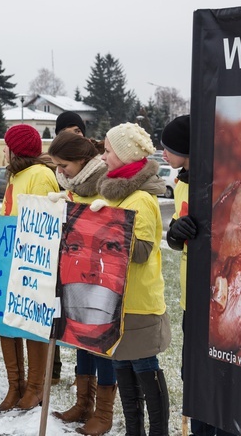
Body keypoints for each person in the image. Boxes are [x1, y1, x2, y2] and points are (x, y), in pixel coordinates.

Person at [96, 122, 171, 436]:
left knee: (143, 368)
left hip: (138, 303)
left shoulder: (140, 199)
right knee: (121, 368)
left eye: (108, 151)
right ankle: (133, 430)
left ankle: (158, 431)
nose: (102, 157)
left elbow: (139, 251)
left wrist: (104, 224)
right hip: (115, 301)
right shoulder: (117, 194)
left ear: (125, 156)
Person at [162, 115, 234, 436]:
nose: (162, 153)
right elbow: (176, 232)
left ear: (188, 148)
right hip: (192, 299)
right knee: (191, 374)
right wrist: (175, 232)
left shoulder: (217, 181)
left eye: (169, 147)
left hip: (220, 301)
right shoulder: (181, 182)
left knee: (219, 377)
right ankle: (200, 429)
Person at [48, 130, 119, 435]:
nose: (59, 171)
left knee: (100, 341)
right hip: (75, 270)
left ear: (81, 160)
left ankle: (103, 412)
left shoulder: (102, 186)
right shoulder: (74, 186)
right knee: (78, 336)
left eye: (63, 165)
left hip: (103, 275)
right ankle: (83, 403)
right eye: (56, 165)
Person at [0, 124, 60, 412]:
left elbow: (44, 220)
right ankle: (16, 384)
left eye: (8, 146)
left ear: (15, 149)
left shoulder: (41, 176)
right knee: (6, 322)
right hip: (10, 260)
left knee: (32, 323)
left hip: (32, 264)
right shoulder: (15, 175)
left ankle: (35, 387)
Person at [50, 110, 89, 386]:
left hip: (88, 257)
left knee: (90, 322)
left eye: (77, 131)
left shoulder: (95, 171)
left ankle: (92, 386)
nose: (74, 137)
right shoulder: (59, 171)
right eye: (67, 132)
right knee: (71, 317)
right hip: (68, 253)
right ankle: (82, 381)